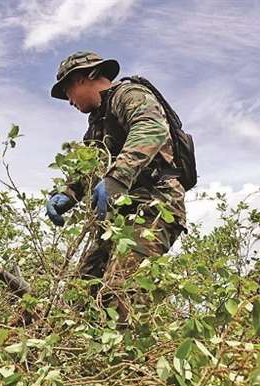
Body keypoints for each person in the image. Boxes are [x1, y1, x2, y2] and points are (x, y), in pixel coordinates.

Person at [45, 51, 186, 322]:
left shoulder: (129, 94)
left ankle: (131, 359)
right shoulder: (98, 122)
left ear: (88, 76)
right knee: (82, 291)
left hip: (154, 207)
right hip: (120, 218)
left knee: (123, 291)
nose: (69, 101)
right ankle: (79, 357)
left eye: (68, 90)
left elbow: (151, 128)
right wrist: (66, 195)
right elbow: (89, 166)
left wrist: (117, 177)